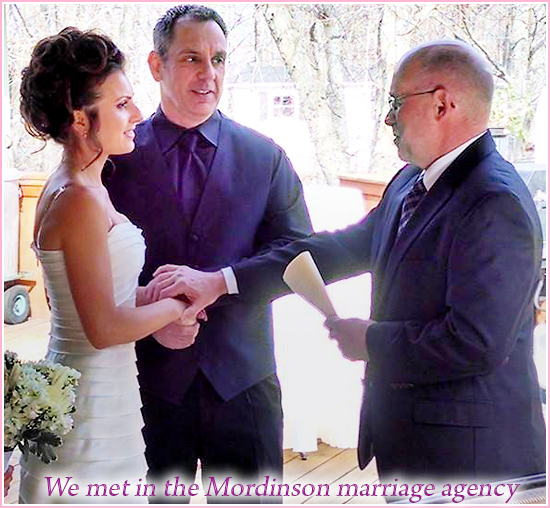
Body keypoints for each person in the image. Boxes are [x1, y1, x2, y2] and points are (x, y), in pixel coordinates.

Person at [150, 40, 546, 486]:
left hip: (474, 459)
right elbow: (335, 251)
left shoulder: (494, 201)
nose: (388, 118)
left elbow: (476, 342)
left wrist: (370, 340)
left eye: (396, 102)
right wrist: (220, 282)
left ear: (442, 104)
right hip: (416, 445)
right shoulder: (410, 182)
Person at [105, 4, 312, 503]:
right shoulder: (113, 158)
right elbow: (83, 273)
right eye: (192, 58)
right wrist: (149, 316)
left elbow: (299, 258)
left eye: (218, 59)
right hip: (144, 386)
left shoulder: (265, 156)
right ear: (156, 65)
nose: (209, 74)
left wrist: (221, 283)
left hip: (244, 383)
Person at [18, 27, 198, 504]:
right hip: (89, 409)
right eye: (121, 105)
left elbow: (78, 297)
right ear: (81, 118)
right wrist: (178, 305)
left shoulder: (83, 186)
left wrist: (150, 296)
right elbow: (101, 328)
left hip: (106, 394)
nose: (137, 114)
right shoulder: (77, 198)